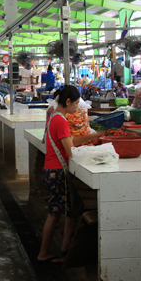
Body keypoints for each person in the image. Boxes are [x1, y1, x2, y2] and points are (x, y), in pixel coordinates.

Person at [38, 85, 106, 263]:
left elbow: (69, 140)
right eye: (76, 103)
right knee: (54, 215)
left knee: (68, 211)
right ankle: (44, 253)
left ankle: (64, 250)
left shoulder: (53, 117)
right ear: (67, 102)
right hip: (57, 172)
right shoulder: (60, 120)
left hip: (51, 170)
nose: (77, 107)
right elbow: (70, 150)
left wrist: (92, 136)